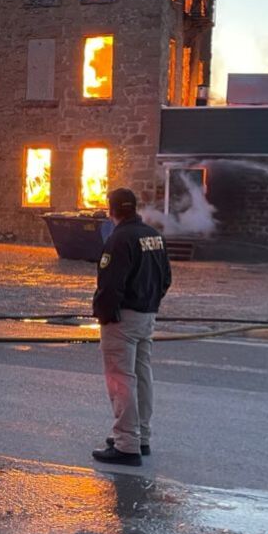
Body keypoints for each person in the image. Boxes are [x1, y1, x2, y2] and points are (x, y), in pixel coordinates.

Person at [91, 188, 171, 466]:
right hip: (147, 315)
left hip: (122, 318)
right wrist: (151, 303)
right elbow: (166, 278)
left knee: (120, 378)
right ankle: (141, 436)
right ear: (135, 208)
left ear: (111, 210)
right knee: (142, 374)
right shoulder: (154, 236)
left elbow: (110, 284)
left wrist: (103, 314)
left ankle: (126, 444)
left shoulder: (119, 239)